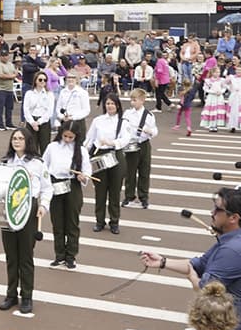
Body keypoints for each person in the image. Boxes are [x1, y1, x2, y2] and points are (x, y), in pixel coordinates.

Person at [140, 187, 241, 330]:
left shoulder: (234, 250)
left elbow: (203, 289)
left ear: (234, 217)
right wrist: (163, 262)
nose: (211, 213)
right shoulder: (238, 238)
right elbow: (199, 264)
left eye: (218, 210)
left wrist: (193, 278)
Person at [0, 128, 52, 314]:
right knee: (11, 256)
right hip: (9, 211)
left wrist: (43, 206)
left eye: (20, 138)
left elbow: (46, 188)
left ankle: (27, 296)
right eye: (14, 138)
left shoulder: (37, 164)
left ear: (28, 141)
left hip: (28, 209)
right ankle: (11, 294)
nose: (17, 141)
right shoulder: (5, 163)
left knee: (26, 256)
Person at [43, 122, 92, 269]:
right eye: (65, 136)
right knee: (57, 223)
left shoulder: (81, 150)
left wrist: (84, 177)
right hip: (55, 184)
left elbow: (87, 169)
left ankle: (71, 256)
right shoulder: (52, 147)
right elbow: (43, 166)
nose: (67, 139)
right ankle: (59, 255)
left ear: (76, 136)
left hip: (73, 185)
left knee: (72, 223)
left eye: (71, 137)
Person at [85, 96, 128, 234]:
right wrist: (83, 154)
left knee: (115, 192)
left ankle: (114, 222)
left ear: (117, 105)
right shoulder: (98, 121)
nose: (110, 106)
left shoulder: (123, 121)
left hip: (115, 155)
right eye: (107, 103)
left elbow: (126, 139)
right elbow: (89, 139)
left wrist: (112, 143)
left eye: (112, 103)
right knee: (100, 191)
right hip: (99, 155)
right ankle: (99, 221)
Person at [121, 88, 158, 210]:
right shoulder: (127, 113)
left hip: (144, 144)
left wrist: (149, 131)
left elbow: (155, 130)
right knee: (130, 173)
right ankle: (129, 196)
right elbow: (122, 127)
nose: (132, 102)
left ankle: (143, 197)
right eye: (131, 100)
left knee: (144, 172)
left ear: (142, 100)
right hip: (131, 144)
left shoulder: (149, 115)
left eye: (135, 100)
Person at [22, 71, 54, 155]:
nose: (43, 82)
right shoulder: (29, 93)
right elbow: (26, 109)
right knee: (31, 146)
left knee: (45, 145)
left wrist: (39, 122)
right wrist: (32, 122)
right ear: (35, 80)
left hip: (44, 121)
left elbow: (49, 111)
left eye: (45, 80)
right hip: (31, 120)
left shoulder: (49, 94)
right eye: (40, 79)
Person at [54, 71, 89, 137]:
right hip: (64, 121)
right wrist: (62, 117)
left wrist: (73, 117)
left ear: (77, 79)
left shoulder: (82, 92)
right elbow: (58, 107)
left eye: (73, 77)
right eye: (69, 77)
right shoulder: (63, 92)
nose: (70, 79)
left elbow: (86, 110)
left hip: (78, 122)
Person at [0, 48, 17, 130]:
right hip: (0, 89)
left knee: (9, 107)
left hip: (9, 89)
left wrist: (13, 76)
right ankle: (0, 124)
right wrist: (11, 76)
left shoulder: (10, 64)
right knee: (0, 108)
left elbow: (15, 73)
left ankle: (9, 123)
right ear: (0, 57)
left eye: (6, 55)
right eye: (3, 56)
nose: (5, 57)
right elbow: (0, 75)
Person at [199, 67, 227, 132]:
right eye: (216, 72)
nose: (217, 74)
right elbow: (205, 89)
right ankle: (211, 125)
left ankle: (216, 125)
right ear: (212, 73)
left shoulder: (222, 80)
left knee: (217, 111)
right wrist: (213, 92)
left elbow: (224, 87)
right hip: (211, 97)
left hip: (219, 97)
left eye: (218, 72)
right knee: (211, 111)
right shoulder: (208, 80)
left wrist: (221, 91)